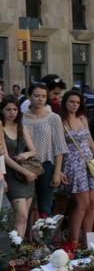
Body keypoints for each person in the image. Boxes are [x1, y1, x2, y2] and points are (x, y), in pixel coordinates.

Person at [59, 90, 94, 246]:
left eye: (77, 102)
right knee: (82, 204)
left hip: (89, 162)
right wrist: (60, 169)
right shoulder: (60, 121)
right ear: (65, 102)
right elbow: (58, 147)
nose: (74, 105)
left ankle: (88, 241)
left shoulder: (83, 118)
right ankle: (74, 241)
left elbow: (90, 140)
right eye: (71, 102)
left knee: (92, 204)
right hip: (73, 163)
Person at [22, 82, 67, 222]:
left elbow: (59, 146)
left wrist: (57, 172)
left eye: (44, 96)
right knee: (25, 207)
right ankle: (24, 241)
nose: (40, 99)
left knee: (45, 207)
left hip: (47, 165)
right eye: (36, 95)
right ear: (29, 97)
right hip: (25, 166)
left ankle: (43, 242)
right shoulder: (21, 118)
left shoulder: (53, 118)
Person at [3, 95, 41, 242]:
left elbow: (33, 150)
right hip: (12, 174)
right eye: (8, 109)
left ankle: (18, 251)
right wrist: (27, 172)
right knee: (22, 215)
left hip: (26, 176)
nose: (12, 112)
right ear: (2, 111)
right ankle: (15, 251)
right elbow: (5, 157)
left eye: (15, 109)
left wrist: (26, 154)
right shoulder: (1, 127)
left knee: (23, 218)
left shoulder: (21, 126)